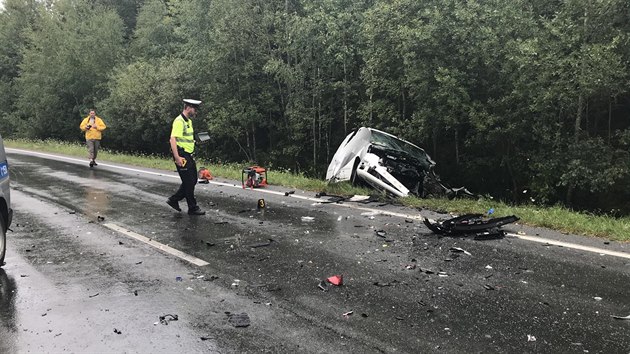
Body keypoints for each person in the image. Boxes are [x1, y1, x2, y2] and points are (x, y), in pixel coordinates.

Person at [166, 99, 205, 215]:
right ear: (188, 108)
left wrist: (196, 143)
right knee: (188, 182)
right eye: (194, 108)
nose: (195, 111)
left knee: (193, 180)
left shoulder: (188, 121)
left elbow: (186, 138)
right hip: (181, 155)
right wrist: (177, 157)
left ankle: (174, 200)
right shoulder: (179, 121)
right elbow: (173, 139)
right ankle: (192, 208)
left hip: (188, 155)